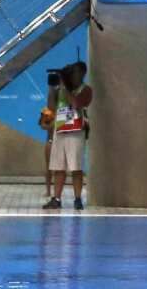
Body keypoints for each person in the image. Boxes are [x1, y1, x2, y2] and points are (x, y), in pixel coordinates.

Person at [44, 61, 92, 211]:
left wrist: (65, 87)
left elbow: (75, 104)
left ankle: (77, 199)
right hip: (60, 130)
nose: (73, 76)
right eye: (71, 73)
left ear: (83, 74)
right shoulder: (61, 89)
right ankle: (56, 198)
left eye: (76, 72)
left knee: (76, 167)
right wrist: (52, 89)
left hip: (76, 131)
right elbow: (51, 107)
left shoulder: (86, 90)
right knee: (58, 167)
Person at [40, 70, 59, 196]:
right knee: (49, 168)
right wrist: (51, 125)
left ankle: (56, 191)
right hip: (51, 141)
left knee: (58, 169)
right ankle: (48, 190)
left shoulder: (62, 109)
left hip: (58, 140)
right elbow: (43, 125)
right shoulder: (47, 112)